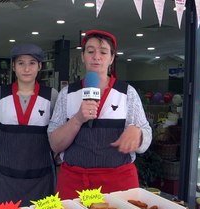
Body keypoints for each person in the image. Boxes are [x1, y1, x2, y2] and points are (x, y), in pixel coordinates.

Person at [48, 30, 152, 199]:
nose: (96, 57)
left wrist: (138, 132)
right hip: (75, 183)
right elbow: (54, 144)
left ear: (111, 58)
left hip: (118, 184)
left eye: (103, 52)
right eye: (90, 51)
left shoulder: (127, 93)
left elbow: (146, 137)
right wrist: (78, 119)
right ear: (83, 56)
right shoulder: (67, 93)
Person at [0, 43, 59, 206]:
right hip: (7, 174)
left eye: (32, 63)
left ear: (40, 66)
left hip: (41, 176)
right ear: (13, 66)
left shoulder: (51, 95)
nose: (26, 69)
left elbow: (56, 135)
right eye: (21, 63)